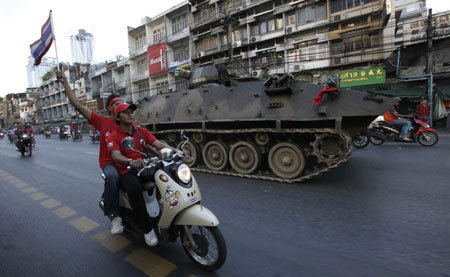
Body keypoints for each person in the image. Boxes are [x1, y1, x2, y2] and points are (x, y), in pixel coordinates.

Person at [56, 70, 125, 235]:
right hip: (111, 163)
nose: (120, 106)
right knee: (113, 177)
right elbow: (78, 105)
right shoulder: (102, 122)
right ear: (109, 109)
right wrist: (65, 82)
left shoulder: (129, 122)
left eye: (122, 103)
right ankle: (114, 216)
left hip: (127, 161)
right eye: (116, 103)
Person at [107, 103, 178, 246]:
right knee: (134, 189)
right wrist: (130, 161)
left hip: (145, 167)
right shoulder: (113, 136)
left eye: (131, 111)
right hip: (128, 170)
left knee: (169, 175)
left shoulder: (140, 131)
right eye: (125, 112)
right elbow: (115, 155)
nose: (130, 114)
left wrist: (175, 150)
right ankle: (147, 229)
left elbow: (157, 143)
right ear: (117, 117)